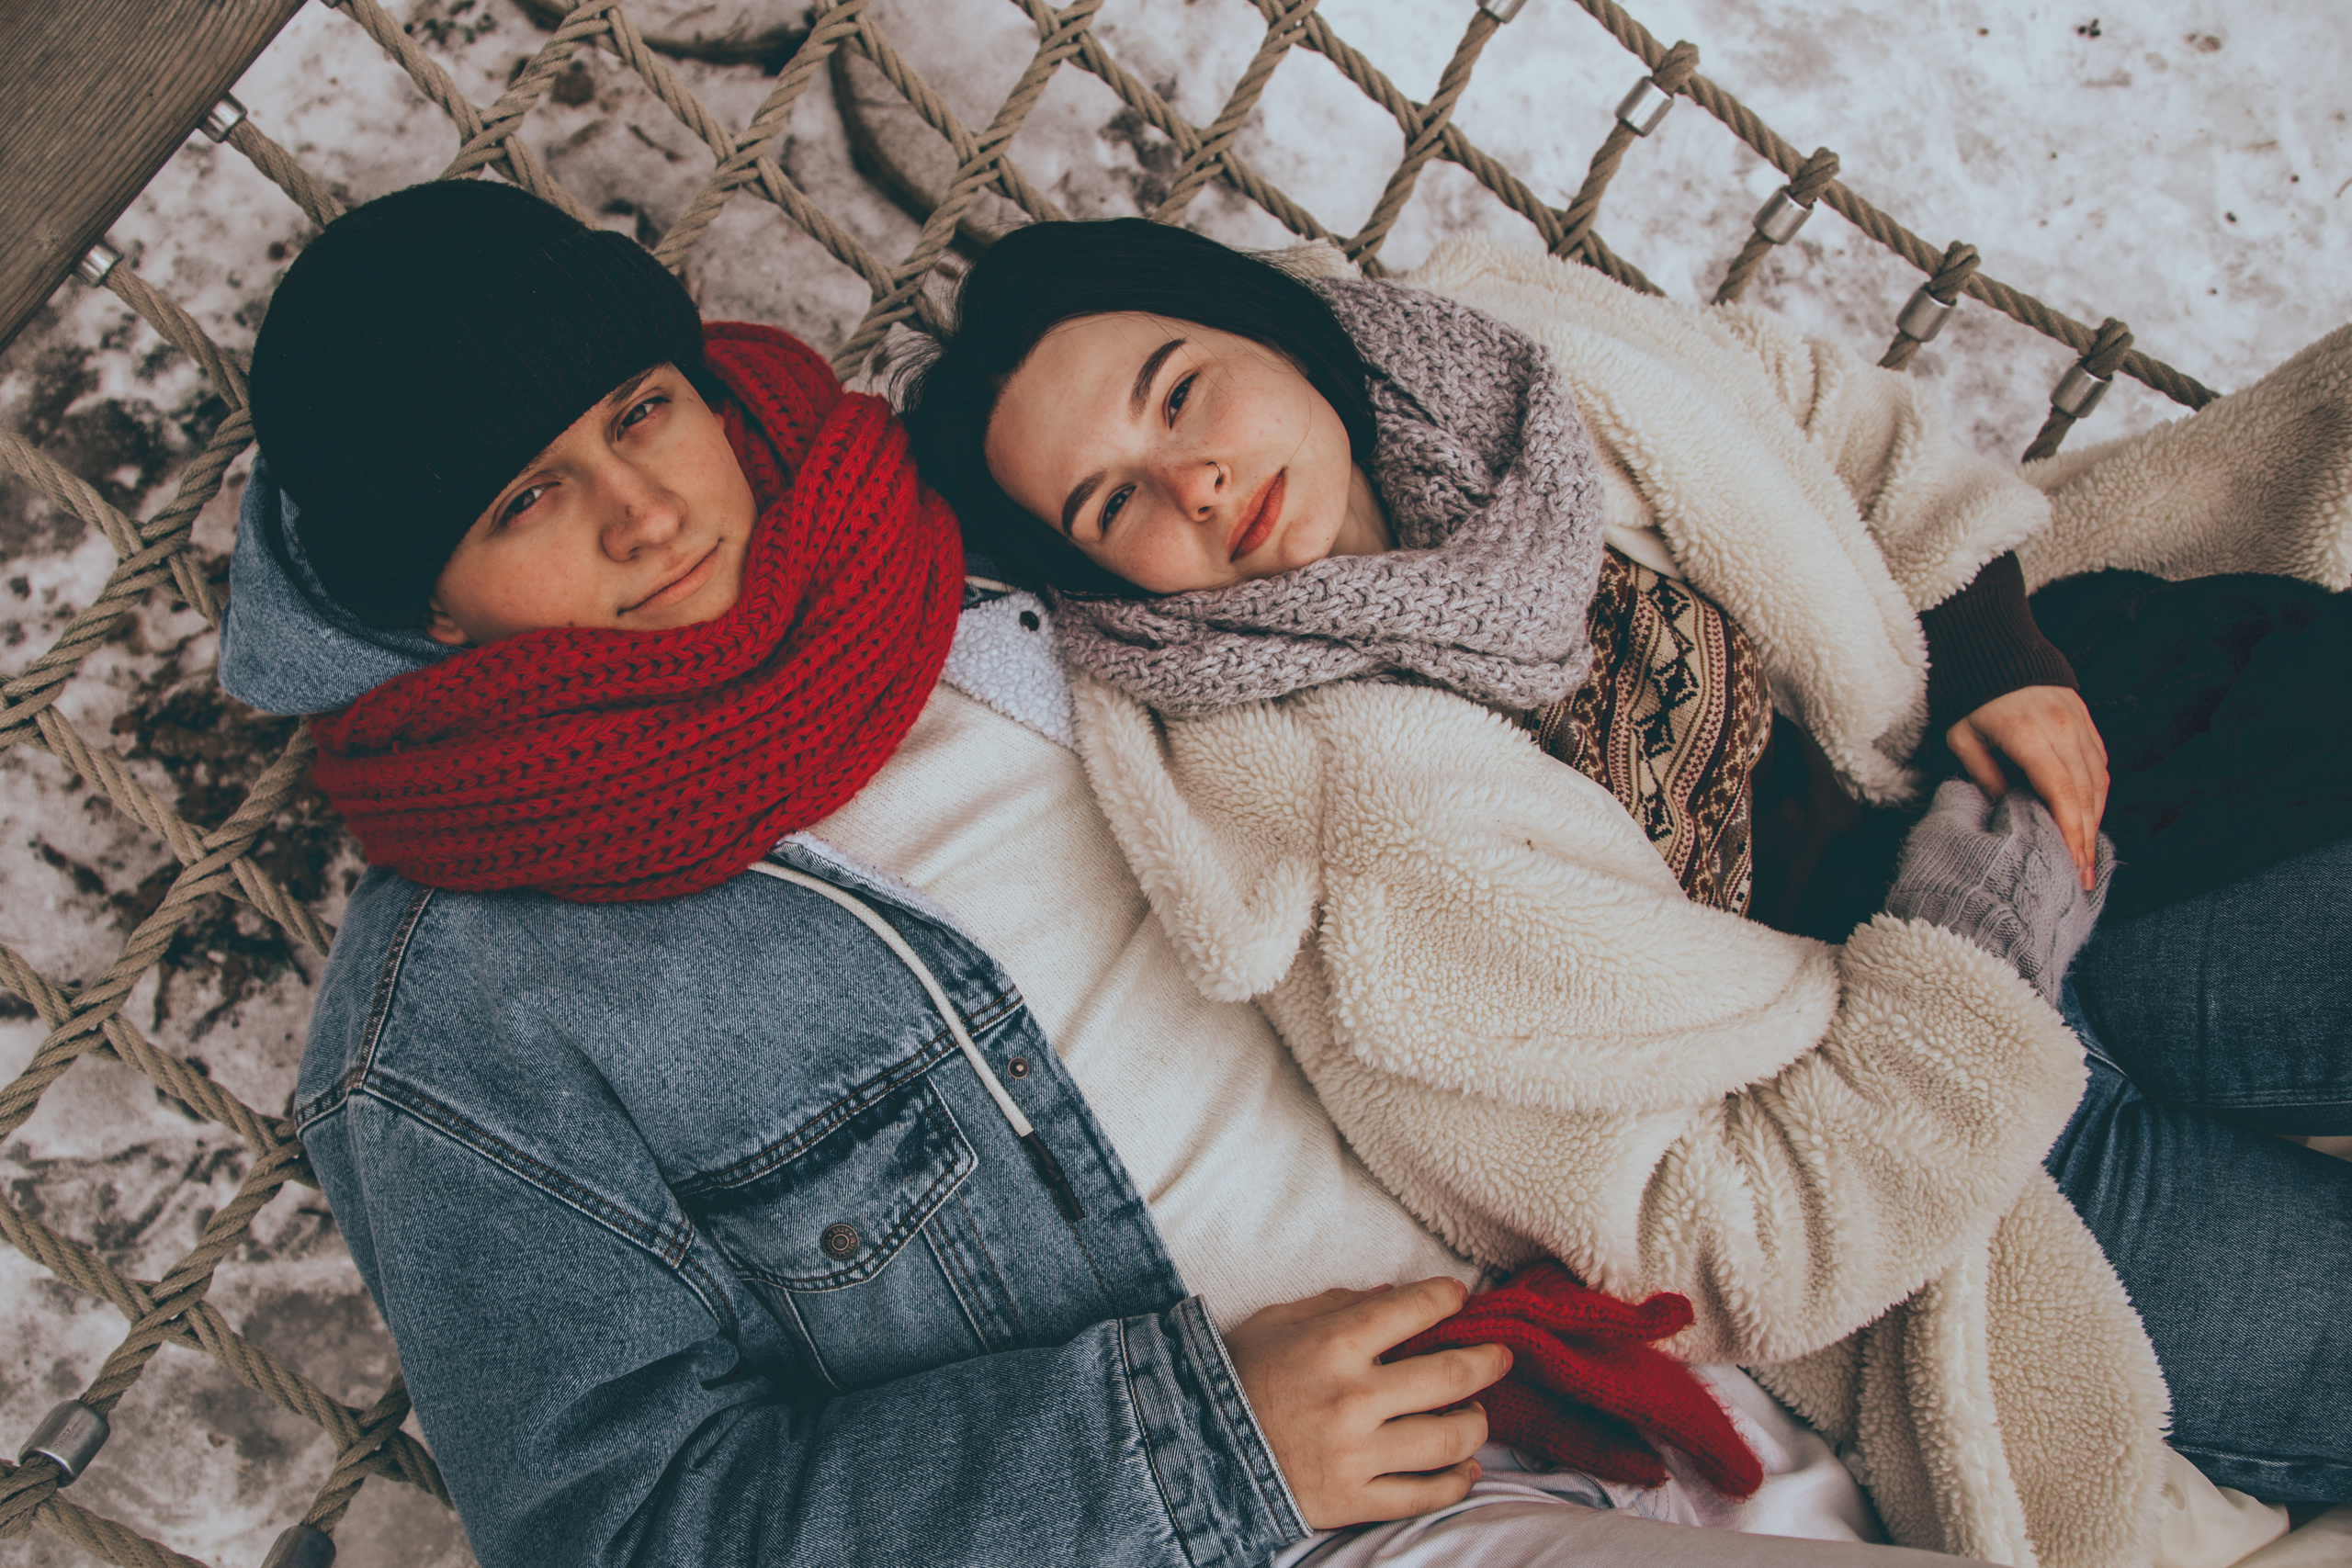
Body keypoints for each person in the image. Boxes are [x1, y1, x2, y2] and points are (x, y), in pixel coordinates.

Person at [221, 180, 1996, 1568]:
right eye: (524, 501)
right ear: (425, 608)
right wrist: (1196, 1445)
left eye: (639, 410)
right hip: (1317, 1528)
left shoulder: (975, 557)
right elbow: (632, 1528)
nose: (646, 514)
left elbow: (1431, 464)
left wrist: (1976, 649)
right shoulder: (453, 1028)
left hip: (1699, 1326)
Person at [894, 219, 2352, 1557]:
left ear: (1266, 324)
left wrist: (1994, 659)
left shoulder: (1508, 357)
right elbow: (1714, 1243)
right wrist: (1979, 932)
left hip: (2070, 812)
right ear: (1102, 592)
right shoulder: (1338, 847)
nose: (1194, 482)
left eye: (1179, 390)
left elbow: (1818, 405)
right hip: (1962, 1160)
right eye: (1112, 502)